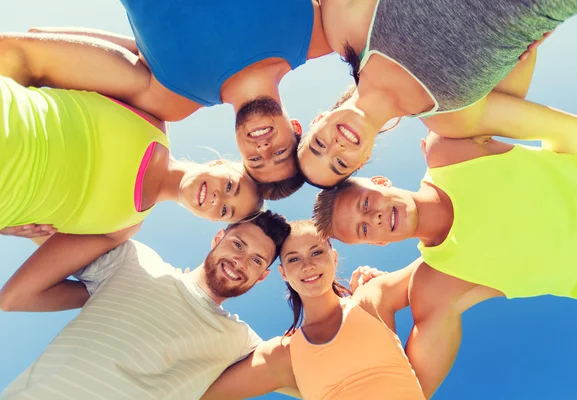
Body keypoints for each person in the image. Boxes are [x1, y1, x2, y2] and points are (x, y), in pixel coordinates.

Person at [311, 95, 577, 396]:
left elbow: (565, 128)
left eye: (365, 203)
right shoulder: (435, 287)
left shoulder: (450, 150)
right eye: (365, 229)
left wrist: (572, 182)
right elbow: (409, 392)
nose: (376, 217)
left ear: (381, 182)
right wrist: (373, 299)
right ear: (378, 242)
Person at [0, 43, 262, 312]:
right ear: (220, 163)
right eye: (231, 185)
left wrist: (131, 290)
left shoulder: (119, 229)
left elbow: (16, 297)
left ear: (210, 220)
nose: (219, 198)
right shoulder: (148, 110)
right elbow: (21, 51)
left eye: (224, 211)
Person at [2, 0, 334, 196]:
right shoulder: (318, 33)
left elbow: (35, 54)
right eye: (280, 152)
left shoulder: (172, 100)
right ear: (295, 127)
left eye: (256, 161)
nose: (264, 149)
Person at [298, 0, 577, 187]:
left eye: (319, 144)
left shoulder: (344, 27)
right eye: (340, 163)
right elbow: (564, 128)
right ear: (363, 160)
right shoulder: (453, 120)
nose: (335, 146)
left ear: (318, 119)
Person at [0, 211, 296, 399]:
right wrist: (100, 289)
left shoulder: (239, 341)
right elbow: (43, 241)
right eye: (238, 245)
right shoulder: (134, 261)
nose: (240, 261)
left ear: (262, 276)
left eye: (256, 260)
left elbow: (313, 378)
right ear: (218, 238)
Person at [201, 220, 426, 400]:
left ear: (334, 258)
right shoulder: (281, 356)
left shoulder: (371, 299)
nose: (307, 265)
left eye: (316, 252)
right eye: (294, 259)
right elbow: (198, 393)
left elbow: (445, 264)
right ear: (283, 274)